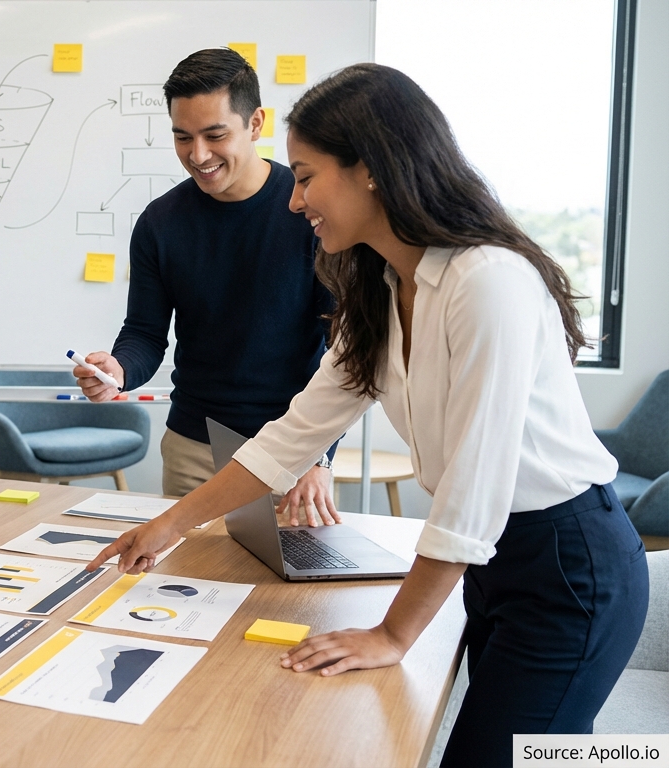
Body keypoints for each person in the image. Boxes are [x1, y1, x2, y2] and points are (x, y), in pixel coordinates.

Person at [88, 63, 649, 766]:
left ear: (372, 171)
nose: (294, 202)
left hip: (569, 562)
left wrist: (392, 635)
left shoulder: (488, 282)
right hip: (496, 565)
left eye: (305, 176)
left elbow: (473, 492)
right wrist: (167, 524)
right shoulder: (379, 286)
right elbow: (291, 438)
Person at [73, 48, 339, 526]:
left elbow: (341, 348)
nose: (198, 155)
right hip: (194, 446)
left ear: (255, 123)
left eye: (215, 135)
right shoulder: (160, 222)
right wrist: (120, 368)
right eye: (182, 137)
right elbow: (145, 333)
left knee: (284, 599)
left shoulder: (309, 213)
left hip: (293, 451)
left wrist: (319, 456)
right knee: (185, 592)